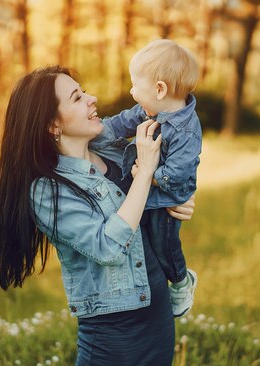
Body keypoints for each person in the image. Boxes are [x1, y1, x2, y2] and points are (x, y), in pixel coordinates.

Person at [0, 66, 195, 366]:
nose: (92, 99)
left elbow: (143, 214)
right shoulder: (47, 190)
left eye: (84, 91)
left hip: (156, 313)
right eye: (77, 97)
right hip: (114, 332)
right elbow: (108, 247)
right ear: (53, 125)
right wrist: (145, 172)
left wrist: (175, 200)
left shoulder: (111, 150)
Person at [95, 39, 202, 317]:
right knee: (145, 241)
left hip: (166, 197)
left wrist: (148, 174)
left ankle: (181, 282)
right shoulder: (150, 109)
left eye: (135, 85)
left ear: (159, 89)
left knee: (164, 244)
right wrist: (95, 133)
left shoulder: (186, 131)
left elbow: (178, 173)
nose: (131, 91)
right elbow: (120, 123)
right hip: (147, 191)